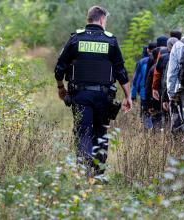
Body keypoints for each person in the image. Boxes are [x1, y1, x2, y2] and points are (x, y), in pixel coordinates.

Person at [54, 6, 132, 177]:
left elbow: (59, 68)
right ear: (102, 20)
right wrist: (128, 96)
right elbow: (120, 71)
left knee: (83, 132)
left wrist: (61, 88)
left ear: (88, 19)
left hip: (80, 96)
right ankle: (98, 174)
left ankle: (83, 172)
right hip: (103, 97)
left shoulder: (75, 39)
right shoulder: (111, 41)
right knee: (100, 133)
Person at [131, 43, 157, 118]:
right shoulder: (161, 59)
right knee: (157, 115)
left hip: (144, 94)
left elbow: (136, 80)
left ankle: (146, 128)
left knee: (146, 114)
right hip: (157, 94)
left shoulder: (142, 62)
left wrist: (133, 95)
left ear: (148, 50)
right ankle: (157, 129)